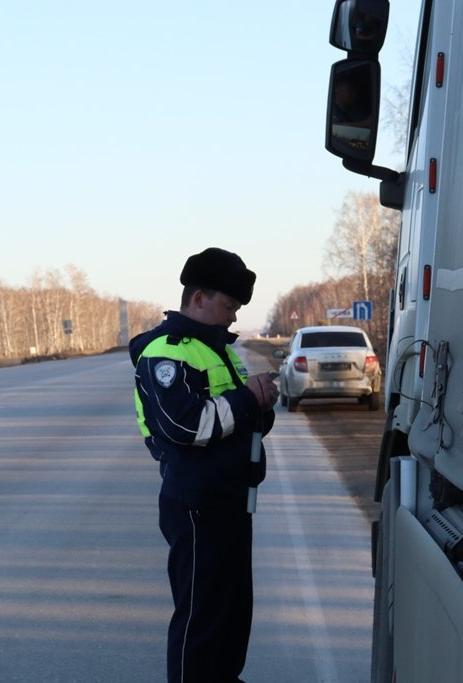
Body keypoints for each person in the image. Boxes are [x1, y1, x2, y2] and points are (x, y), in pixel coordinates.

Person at [129, 247, 279, 683]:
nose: (233, 317)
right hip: (197, 504)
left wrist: (261, 404)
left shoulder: (218, 351)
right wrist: (248, 399)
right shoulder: (166, 352)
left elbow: (241, 421)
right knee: (200, 618)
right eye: (229, 306)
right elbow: (187, 425)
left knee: (232, 612)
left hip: (230, 500)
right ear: (198, 298)